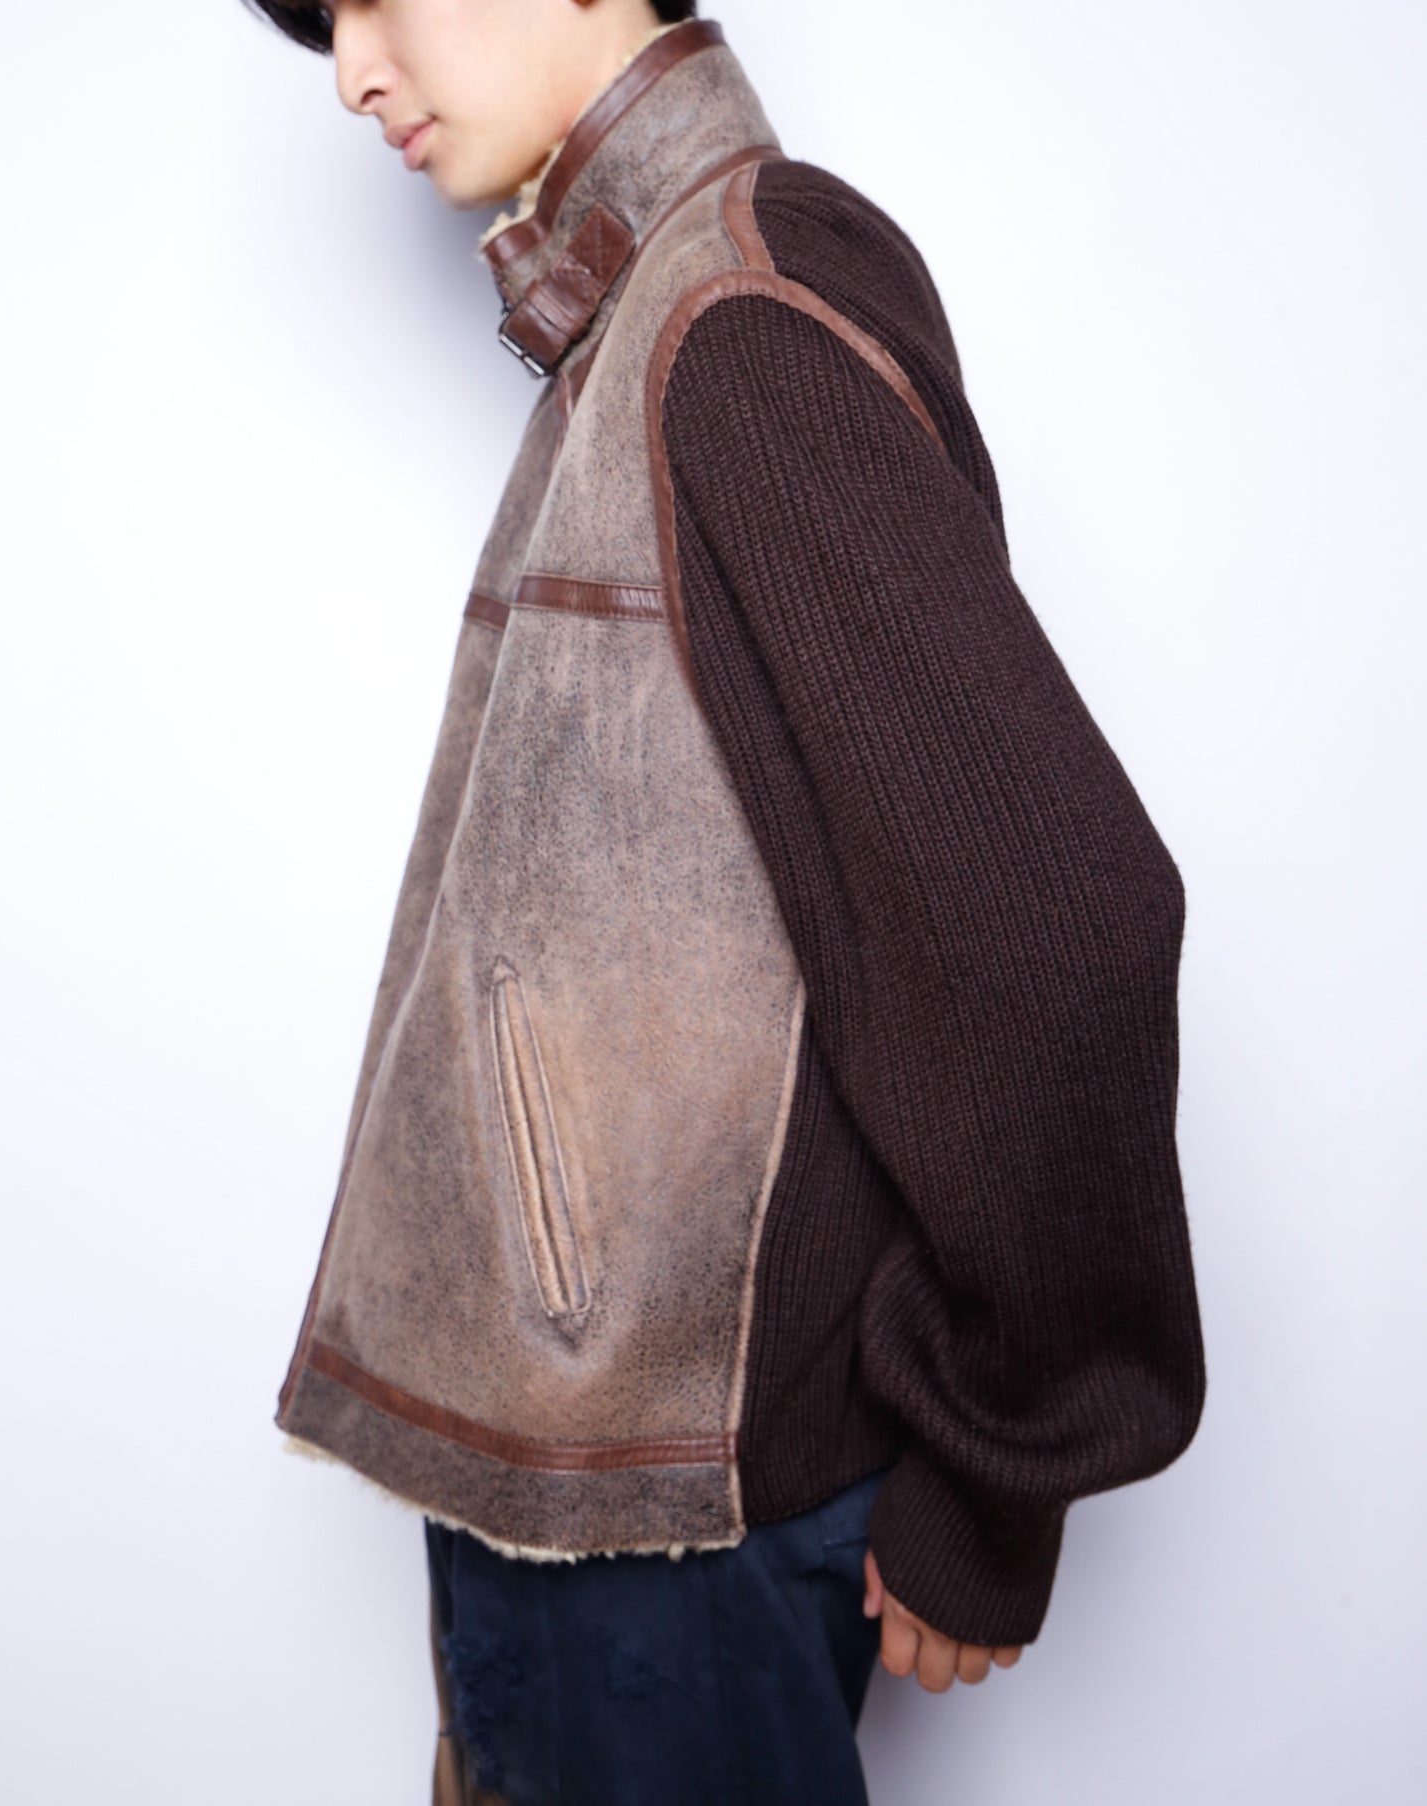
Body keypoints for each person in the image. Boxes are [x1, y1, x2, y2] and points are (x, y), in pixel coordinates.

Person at [246, 3, 1209, 1801]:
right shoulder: (651, 310)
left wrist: (1000, 1464)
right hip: (608, 1467)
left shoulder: (731, 318)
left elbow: (1058, 927)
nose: (352, 69)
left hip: (664, 1507)